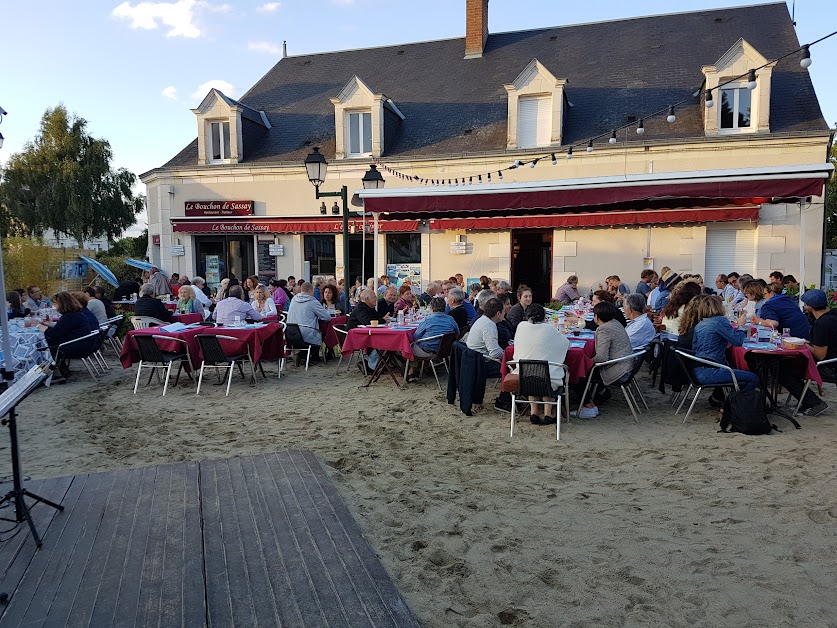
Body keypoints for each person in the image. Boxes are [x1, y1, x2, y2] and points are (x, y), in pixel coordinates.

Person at [686, 295, 760, 398]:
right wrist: (741, 326)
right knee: (753, 378)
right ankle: (731, 405)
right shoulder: (719, 321)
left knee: (733, 367)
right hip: (711, 371)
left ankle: (719, 398)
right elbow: (738, 341)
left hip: (697, 370)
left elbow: (695, 347)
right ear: (718, 307)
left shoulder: (700, 324)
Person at [510, 303, 569, 425]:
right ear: (544, 317)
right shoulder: (549, 329)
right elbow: (565, 344)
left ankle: (534, 412)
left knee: (533, 372)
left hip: (523, 377)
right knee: (548, 371)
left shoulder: (521, 327)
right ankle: (548, 413)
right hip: (548, 378)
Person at [575, 302, 635, 418]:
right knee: (582, 368)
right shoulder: (615, 323)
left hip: (619, 370)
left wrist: (586, 362)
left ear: (597, 317)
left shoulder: (604, 329)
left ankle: (589, 407)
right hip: (627, 365)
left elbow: (601, 358)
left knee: (577, 372)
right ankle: (591, 402)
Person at [465, 297, 513, 411]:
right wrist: (509, 357)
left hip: (474, 359)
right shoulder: (489, 326)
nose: (505, 314)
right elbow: (494, 352)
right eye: (503, 312)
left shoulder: (483, 320)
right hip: (480, 363)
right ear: (498, 313)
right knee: (512, 369)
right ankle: (503, 401)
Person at [37, 292, 97, 380]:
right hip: (83, 344)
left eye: (55, 303)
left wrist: (38, 326)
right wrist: (47, 325)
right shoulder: (75, 314)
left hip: (78, 347)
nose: (54, 306)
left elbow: (54, 333)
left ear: (61, 304)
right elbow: (62, 329)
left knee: (49, 345)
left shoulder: (69, 317)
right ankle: (61, 370)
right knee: (51, 342)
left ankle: (57, 373)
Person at [406, 296, 460, 381]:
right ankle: (424, 368)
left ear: (431, 308)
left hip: (427, 350)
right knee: (417, 345)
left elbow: (416, 337)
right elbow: (457, 333)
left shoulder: (427, 320)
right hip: (444, 350)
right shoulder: (450, 319)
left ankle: (411, 371)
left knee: (409, 346)